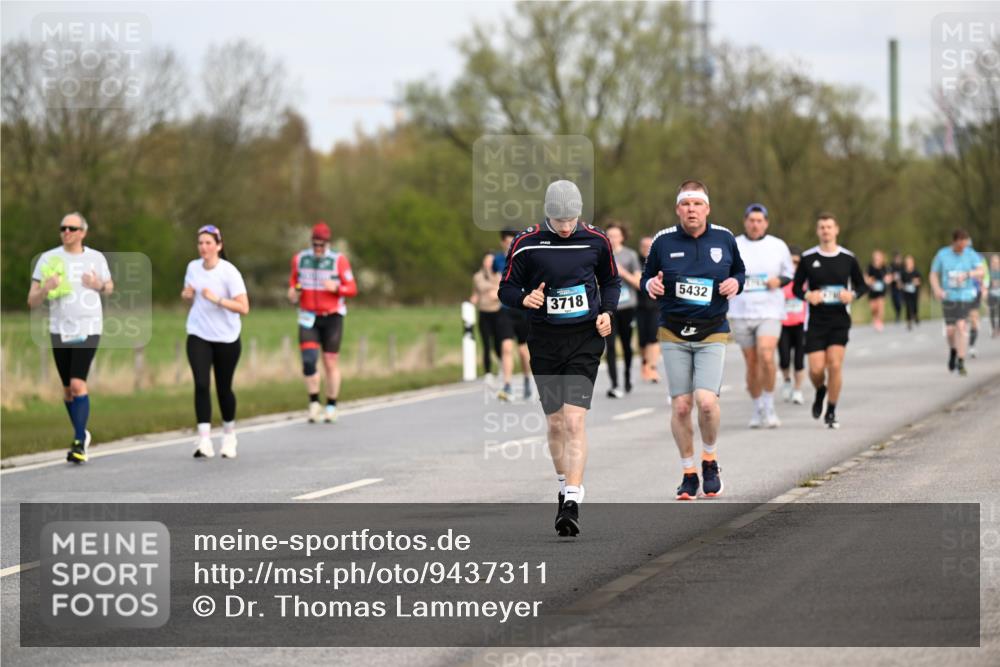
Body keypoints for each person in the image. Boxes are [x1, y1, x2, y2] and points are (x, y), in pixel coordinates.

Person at [498, 179, 620, 536]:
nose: (566, 227)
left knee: (573, 421)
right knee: (554, 424)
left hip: (585, 339)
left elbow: (611, 281)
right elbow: (506, 287)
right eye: (559, 220)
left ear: (579, 213)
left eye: (571, 219)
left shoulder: (597, 240)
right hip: (545, 341)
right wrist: (524, 299)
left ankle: (571, 500)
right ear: (548, 214)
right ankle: (563, 480)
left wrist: (608, 313)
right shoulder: (526, 243)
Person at [641, 180, 745, 500]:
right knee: (682, 405)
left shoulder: (724, 238)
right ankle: (688, 473)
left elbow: (740, 272)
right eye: (685, 204)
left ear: (707, 209)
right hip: (673, 331)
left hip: (712, 329)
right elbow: (647, 277)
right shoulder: (663, 240)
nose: (691, 209)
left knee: (707, 402)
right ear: (678, 209)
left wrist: (734, 284)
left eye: (697, 204)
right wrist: (650, 287)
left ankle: (709, 460)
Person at [27, 212, 114, 464]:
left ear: (83, 233)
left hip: (89, 326)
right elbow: (31, 301)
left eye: (72, 229)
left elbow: (110, 287)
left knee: (77, 384)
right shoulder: (48, 259)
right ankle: (82, 432)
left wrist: (98, 284)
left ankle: (78, 442)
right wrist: (46, 287)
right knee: (67, 390)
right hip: (60, 329)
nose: (66, 232)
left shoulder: (95, 258)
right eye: (63, 228)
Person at [792, 213, 868, 429]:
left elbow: (862, 286)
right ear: (817, 231)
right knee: (816, 370)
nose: (825, 230)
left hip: (839, 320)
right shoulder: (807, 258)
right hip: (815, 321)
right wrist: (808, 295)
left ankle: (831, 410)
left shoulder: (848, 258)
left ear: (836, 230)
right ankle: (820, 390)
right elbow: (797, 288)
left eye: (829, 227)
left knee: (834, 365)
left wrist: (851, 295)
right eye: (822, 227)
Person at [182, 225, 250, 458]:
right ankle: (204, 440)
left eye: (208, 243)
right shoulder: (192, 267)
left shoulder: (229, 272)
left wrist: (217, 300)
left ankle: (229, 435)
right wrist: (187, 295)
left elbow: (244, 307)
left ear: (219, 246)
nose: (203, 247)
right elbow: (188, 295)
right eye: (200, 243)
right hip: (198, 333)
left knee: (223, 388)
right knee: (201, 384)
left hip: (227, 337)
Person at [728, 203, 795, 428]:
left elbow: (789, 273)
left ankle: (769, 405)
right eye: (751, 220)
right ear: (745, 222)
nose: (755, 224)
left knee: (766, 355)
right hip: (740, 311)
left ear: (766, 223)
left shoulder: (778, 246)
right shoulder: (734, 244)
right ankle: (757, 407)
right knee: (752, 363)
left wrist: (779, 281)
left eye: (759, 221)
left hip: (769, 310)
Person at [287, 222, 358, 423]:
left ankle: (331, 405)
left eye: (322, 245)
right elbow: (293, 283)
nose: (318, 249)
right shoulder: (300, 259)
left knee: (329, 361)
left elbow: (352, 288)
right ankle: (313, 403)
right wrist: (293, 293)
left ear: (328, 243)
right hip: (308, 316)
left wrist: (337, 288)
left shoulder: (338, 261)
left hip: (333, 316)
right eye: (315, 244)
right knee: (309, 360)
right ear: (311, 242)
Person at [930, 230, 984, 376]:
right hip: (948, 296)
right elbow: (933, 274)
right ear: (954, 242)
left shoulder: (970, 253)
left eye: (964, 246)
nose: (962, 249)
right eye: (960, 246)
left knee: (961, 326)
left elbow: (981, 271)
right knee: (950, 330)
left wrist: (968, 274)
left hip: (964, 296)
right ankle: (953, 350)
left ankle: (961, 360)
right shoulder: (942, 254)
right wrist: (937, 289)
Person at [494, 231, 533, 401]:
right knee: (506, 348)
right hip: (505, 309)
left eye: (514, 242)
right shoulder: (497, 261)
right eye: (508, 242)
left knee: (524, 352)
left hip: (523, 310)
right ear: (503, 242)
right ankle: (508, 386)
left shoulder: (526, 257)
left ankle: (526, 379)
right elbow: (496, 281)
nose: (511, 245)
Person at [604, 221, 642, 398]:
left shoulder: (630, 255)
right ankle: (614, 384)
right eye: (609, 235)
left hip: (627, 307)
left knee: (627, 345)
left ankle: (627, 377)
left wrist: (622, 273)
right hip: (607, 309)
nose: (611, 239)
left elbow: (639, 283)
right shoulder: (600, 254)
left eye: (615, 236)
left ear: (622, 237)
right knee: (610, 346)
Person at [779, 245, 807, 405]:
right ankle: (787, 381)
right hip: (783, 323)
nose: (794, 265)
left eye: (797, 262)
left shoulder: (806, 279)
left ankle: (797, 390)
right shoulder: (781, 279)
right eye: (791, 262)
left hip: (801, 324)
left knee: (799, 360)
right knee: (784, 358)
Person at [470, 253, 502, 377]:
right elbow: (477, 290)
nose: (489, 263)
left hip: (497, 312)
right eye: (487, 261)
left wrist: (495, 290)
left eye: (491, 261)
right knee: (486, 344)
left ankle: (501, 364)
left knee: (498, 342)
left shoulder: (499, 275)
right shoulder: (477, 276)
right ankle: (488, 371)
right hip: (484, 312)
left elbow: (502, 289)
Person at [636, 235, 662, 383]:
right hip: (639, 305)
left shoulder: (658, 261)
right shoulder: (635, 261)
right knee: (642, 339)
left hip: (656, 305)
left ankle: (652, 368)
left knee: (653, 337)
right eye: (643, 246)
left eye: (649, 246)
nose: (646, 248)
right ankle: (645, 364)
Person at [967, 248, 988, 358]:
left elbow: (985, 274)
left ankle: (972, 345)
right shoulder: (955, 258)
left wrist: (984, 288)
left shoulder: (978, 258)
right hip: (959, 293)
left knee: (974, 319)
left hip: (974, 292)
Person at [866, 250, 891, 332]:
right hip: (872, 291)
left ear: (881, 258)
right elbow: (866, 278)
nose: (877, 259)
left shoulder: (884, 267)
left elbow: (889, 277)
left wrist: (888, 279)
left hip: (881, 291)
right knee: (873, 308)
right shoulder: (870, 267)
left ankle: (879, 322)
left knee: (880, 306)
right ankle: (875, 319)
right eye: (875, 257)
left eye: (878, 257)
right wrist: (870, 281)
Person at [899, 254, 922, 330]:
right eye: (907, 262)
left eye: (910, 262)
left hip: (914, 292)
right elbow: (900, 283)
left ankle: (915, 315)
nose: (909, 264)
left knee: (914, 306)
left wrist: (916, 282)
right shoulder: (903, 273)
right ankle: (909, 322)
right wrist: (903, 286)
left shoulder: (916, 272)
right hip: (906, 293)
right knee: (908, 307)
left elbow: (919, 281)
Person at [889, 251, 905, 324]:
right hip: (893, 288)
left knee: (899, 302)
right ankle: (897, 313)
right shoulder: (891, 267)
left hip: (900, 288)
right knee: (894, 302)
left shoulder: (902, 267)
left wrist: (902, 283)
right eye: (897, 258)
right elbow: (888, 276)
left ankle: (898, 315)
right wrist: (893, 278)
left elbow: (905, 276)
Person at [988, 254, 1000, 338]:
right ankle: (993, 329)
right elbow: (985, 284)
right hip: (991, 294)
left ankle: (998, 329)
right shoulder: (988, 273)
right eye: (993, 262)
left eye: (996, 262)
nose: (995, 263)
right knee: (991, 312)